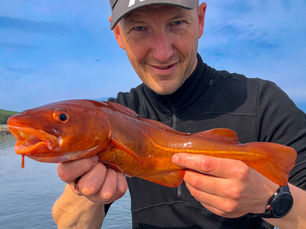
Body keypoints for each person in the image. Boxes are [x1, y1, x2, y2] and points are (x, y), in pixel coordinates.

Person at [52, 1, 306, 228]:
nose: (162, 53)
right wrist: (86, 190)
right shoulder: (115, 115)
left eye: (177, 23)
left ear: (200, 20)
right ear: (119, 34)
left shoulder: (264, 102)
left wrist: (272, 200)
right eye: (139, 28)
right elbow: (69, 224)